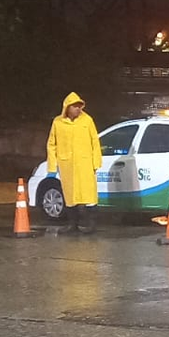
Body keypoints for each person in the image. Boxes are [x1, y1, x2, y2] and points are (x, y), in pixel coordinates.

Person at [46, 92, 102, 233]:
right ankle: (73, 225)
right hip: (67, 165)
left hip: (85, 164)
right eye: (75, 106)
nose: (78, 109)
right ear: (67, 108)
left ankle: (91, 225)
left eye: (79, 106)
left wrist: (96, 163)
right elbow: (52, 144)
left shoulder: (87, 120)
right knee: (70, 196)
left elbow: (94, 141)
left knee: (88, 195)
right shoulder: (58, 122)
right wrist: (52, 166)